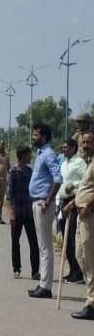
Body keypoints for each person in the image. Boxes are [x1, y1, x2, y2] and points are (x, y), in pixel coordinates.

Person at [27, 122, 62, 299]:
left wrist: (48, 200)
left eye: (36, 135)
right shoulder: (41, 154)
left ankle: (46, 287)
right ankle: (43, 283)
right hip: (38, 202)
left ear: (45, 137)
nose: (34, 137)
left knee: (45, 246)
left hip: (43, 204)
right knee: (43, 245)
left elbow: (58, 178)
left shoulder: (48, 154)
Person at [68, 130, 94, 320]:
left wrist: (90, 206)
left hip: (89, 215)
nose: (85, 146)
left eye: (89, 142)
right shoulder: (88, 162)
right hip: (80, 213)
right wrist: (72, 202)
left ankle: (91, 304)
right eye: (83, 142)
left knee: (90, 259)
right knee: (80, 255)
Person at [59, 137, 90, 284]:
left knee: (72, 238)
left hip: (74, 202)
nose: (63, 149)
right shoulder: (64, 163)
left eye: (66, 147)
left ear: (73, 148)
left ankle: (78, 272)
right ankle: (72, 270)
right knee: (64, 235)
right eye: (63, 147)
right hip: (63, 202)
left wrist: (74, 185)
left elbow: (86, 182)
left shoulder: (80, 163)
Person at [8, 145, 39, 280]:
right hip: (17, 211)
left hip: (29, 211)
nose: (30, 157)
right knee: (15, 241)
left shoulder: (30, 171)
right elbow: (9, 195)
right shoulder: (13, 172)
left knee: (33, 242)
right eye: (28, 155)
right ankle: (16, 269)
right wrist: (11, 213)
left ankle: (35, 272)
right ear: (22, 156)